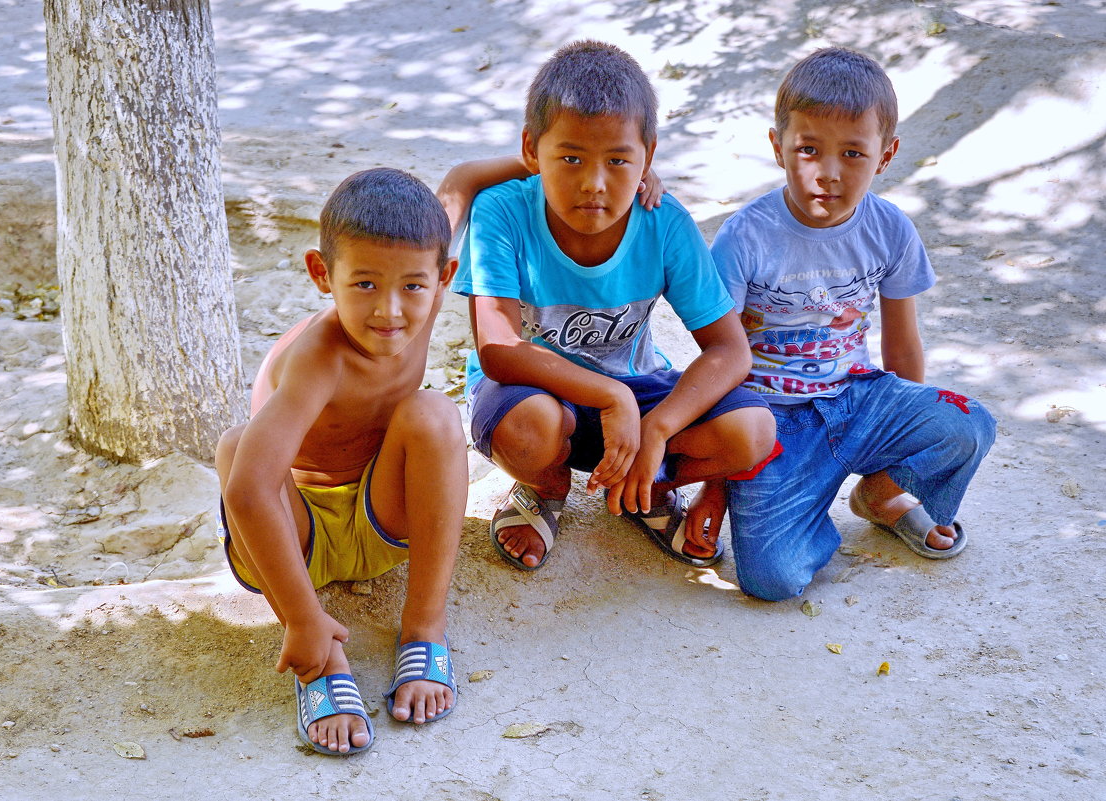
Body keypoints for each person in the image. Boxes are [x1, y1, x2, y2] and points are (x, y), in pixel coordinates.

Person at [443, 40, 778, 571]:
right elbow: (500, 351)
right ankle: (544, 490)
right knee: (529, 429)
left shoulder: (664, 222)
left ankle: (644, 480)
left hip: (638, 393)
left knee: (753, 431)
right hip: (535, 394)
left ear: (648, 156)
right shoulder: (503, 213)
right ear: (532, 150)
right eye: (570, 157)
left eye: (619, 160)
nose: (594, 184)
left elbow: (729, 351)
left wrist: (659, 428)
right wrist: (612, 397)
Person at [690, 47, 997, 601]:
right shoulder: (744, 236)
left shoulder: (891, 230)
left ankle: (882, 495)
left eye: (853, 153)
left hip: (858, 401)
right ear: (777, 147)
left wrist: (910, 451)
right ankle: (802, 505)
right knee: (772, 579)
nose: (827, 174)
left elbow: (902, 345)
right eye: (807, 149)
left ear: (886, 154)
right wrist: (715, 485)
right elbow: (721, 362)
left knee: (970, 423)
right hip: (771, 421)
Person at [214, 168, 467, 755]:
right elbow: (250, 490)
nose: (389, 311)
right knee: (236, 447)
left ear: (443, 278)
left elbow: (462, 182)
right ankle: (323, 664)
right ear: (322, 275)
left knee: (432, 414)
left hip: (381, 523)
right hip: (289, 544)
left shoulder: (416, 296)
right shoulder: (319, 357)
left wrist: (637, 174)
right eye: (364, 285)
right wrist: (305, 620)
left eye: (412, 287)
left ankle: (425, 629)